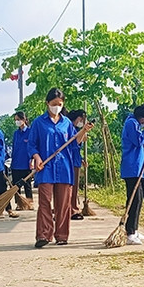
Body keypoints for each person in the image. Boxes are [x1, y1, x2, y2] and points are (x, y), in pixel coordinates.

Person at [27, 88, 83, 247]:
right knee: (44, 202)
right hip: (45, 168)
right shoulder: (39, 122)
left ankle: (62, 235)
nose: (56, 107)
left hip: (64, 168)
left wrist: (83, 132)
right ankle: (44, 235)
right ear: (47, 103)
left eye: (59, 104)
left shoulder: (66, 123)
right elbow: (31, 145)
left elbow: (74, 144)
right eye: (53, 104)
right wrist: (36, 157)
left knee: (63, 204)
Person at [120, 103, 144, 245]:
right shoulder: (131, 123)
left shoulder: (136, 124)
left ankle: (134, 229)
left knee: (139, 199)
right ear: (143, 118)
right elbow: (137, 141)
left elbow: (142, 142)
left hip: (138, 166)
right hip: (132, 167)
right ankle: (130, 232)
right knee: (134, 200)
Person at [65, 109, 94, 220]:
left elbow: (77, 148)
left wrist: (81, 160)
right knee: (69, 187)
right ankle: (70, 209)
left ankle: (73, 207)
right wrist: (83, 131)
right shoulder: (70, 128)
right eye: (81, 119)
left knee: (74, 187)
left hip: (75, 160)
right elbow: (74, 143)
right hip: (69, 161)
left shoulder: (76, 129)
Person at [11, 111, 34, 210]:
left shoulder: (30, 133)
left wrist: (32, 160)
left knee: (27, 185)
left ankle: (30, 203)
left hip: (26, 164)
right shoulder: (16, 134)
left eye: (18, 119)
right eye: (16, 120)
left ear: (24, 120)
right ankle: (19, 204)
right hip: (16, 164)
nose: (17, 122)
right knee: (17, 186)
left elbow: (33, 147)